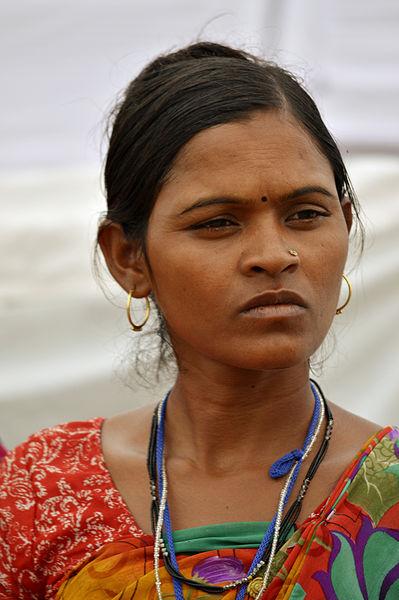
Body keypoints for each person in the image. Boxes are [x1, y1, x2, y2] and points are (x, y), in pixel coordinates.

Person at [1, 41, 398, 600]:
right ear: (128, 258)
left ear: (347, 225)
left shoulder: (391, 489)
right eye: (218, 223)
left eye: (306, 214)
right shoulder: (38, 491)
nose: (275, 253)